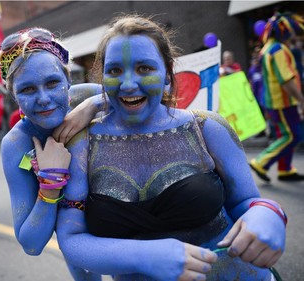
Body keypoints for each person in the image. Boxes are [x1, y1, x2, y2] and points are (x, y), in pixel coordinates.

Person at [54, 15, 286, 281]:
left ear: (167, 74)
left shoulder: (206, 127)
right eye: (115, 71)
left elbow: (246, 201)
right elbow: (72, 239)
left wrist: (268, 213)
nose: (129, 84)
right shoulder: (83, 144)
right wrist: (144, 256)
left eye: (144, 68)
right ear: (102, 76)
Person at [0, 27, 103, 280]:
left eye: (53, 83)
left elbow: (148, 96)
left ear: (69, 81)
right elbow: (30, 244)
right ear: (14, 96)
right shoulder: (16, 145)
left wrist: (93, 105)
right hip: (76, 240)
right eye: (28, 90)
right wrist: (50, 183)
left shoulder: (88, 96)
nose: (44, 99)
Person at [249, 12, 304, 182]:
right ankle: (261, 162)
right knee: (293, 136)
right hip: (283, 102)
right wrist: (302, 100)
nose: (292, 35)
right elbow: (285, 79)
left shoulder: (268, 47)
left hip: (274, 102)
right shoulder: (278, 49)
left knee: (285, 135)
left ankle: (285, 169)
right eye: (289, 31)